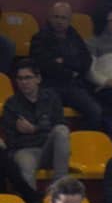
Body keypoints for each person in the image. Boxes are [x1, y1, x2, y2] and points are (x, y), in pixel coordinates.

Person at [29, 2, 103, 131]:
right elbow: (44, 65)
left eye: (63, 18)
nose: (59, 21)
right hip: (49, 86)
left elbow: (86, 60)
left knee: (96, 111)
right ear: (49, 17)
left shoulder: (75, 37)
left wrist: (63, 61)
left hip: (73, 86)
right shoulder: (39, 38)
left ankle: (83, 144)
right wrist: (70, 69)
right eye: (56, 17)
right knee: (50, 118)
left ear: (69, 20)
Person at [1, 59, 71, 191]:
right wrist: (38, 132)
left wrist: (34, 129)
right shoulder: (11, 104)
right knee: (25, 164)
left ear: (38, 79)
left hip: (48, 148)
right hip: (25, 150)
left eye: (28, 78)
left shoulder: (51, 98)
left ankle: (59, 186)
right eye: (20, 79)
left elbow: (62, 124)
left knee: (61, 130)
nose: (24, 82)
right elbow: (11, 141)